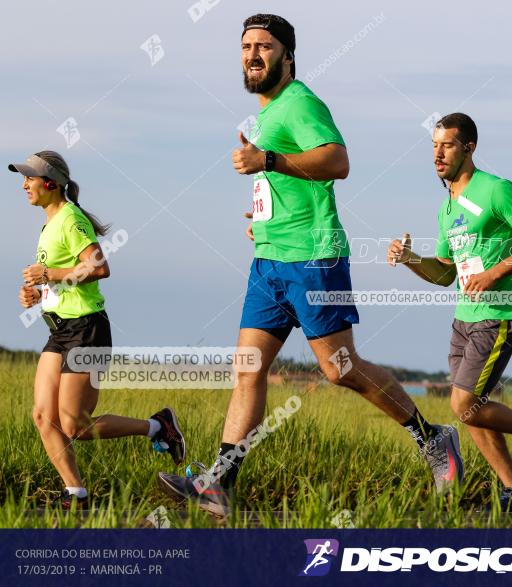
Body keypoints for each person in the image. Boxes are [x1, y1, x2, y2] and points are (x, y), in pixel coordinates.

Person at [157, 14, 462, 518]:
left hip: (315, 259)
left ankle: (432, 438)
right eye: (247, 46)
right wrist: (262, 212)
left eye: (265, 46)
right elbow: (287, 180)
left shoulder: (300, 104)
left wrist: (269, 163)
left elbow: (337, 162)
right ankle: (218, 482)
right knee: (248, 368)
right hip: (270, 261)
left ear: (288, 57)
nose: (254, 55)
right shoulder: (266, 116)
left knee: (339, 368)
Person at [387, 113, 512, 510]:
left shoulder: (496, 190)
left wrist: (495, 273)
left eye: (448, 145)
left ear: (469, 148)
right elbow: (443, 274)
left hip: (501, 312)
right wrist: (409, 259)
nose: (438, 154)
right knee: (474, 411)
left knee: (463, 404)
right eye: (434, 145)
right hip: (464, 318)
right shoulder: (447, 208)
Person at [9, 151, 185, 510]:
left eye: (29, 178)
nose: (23, 184)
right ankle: (76, 493)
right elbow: (66, 280)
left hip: (87, 330)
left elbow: (99, 267)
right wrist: (37, 294)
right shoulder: (49, 224)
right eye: (23, 178)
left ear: (51, 183)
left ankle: (157, 426)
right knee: (43, 417)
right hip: (59, 331)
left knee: (75, 426)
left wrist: (48, 275)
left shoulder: (71, 220)